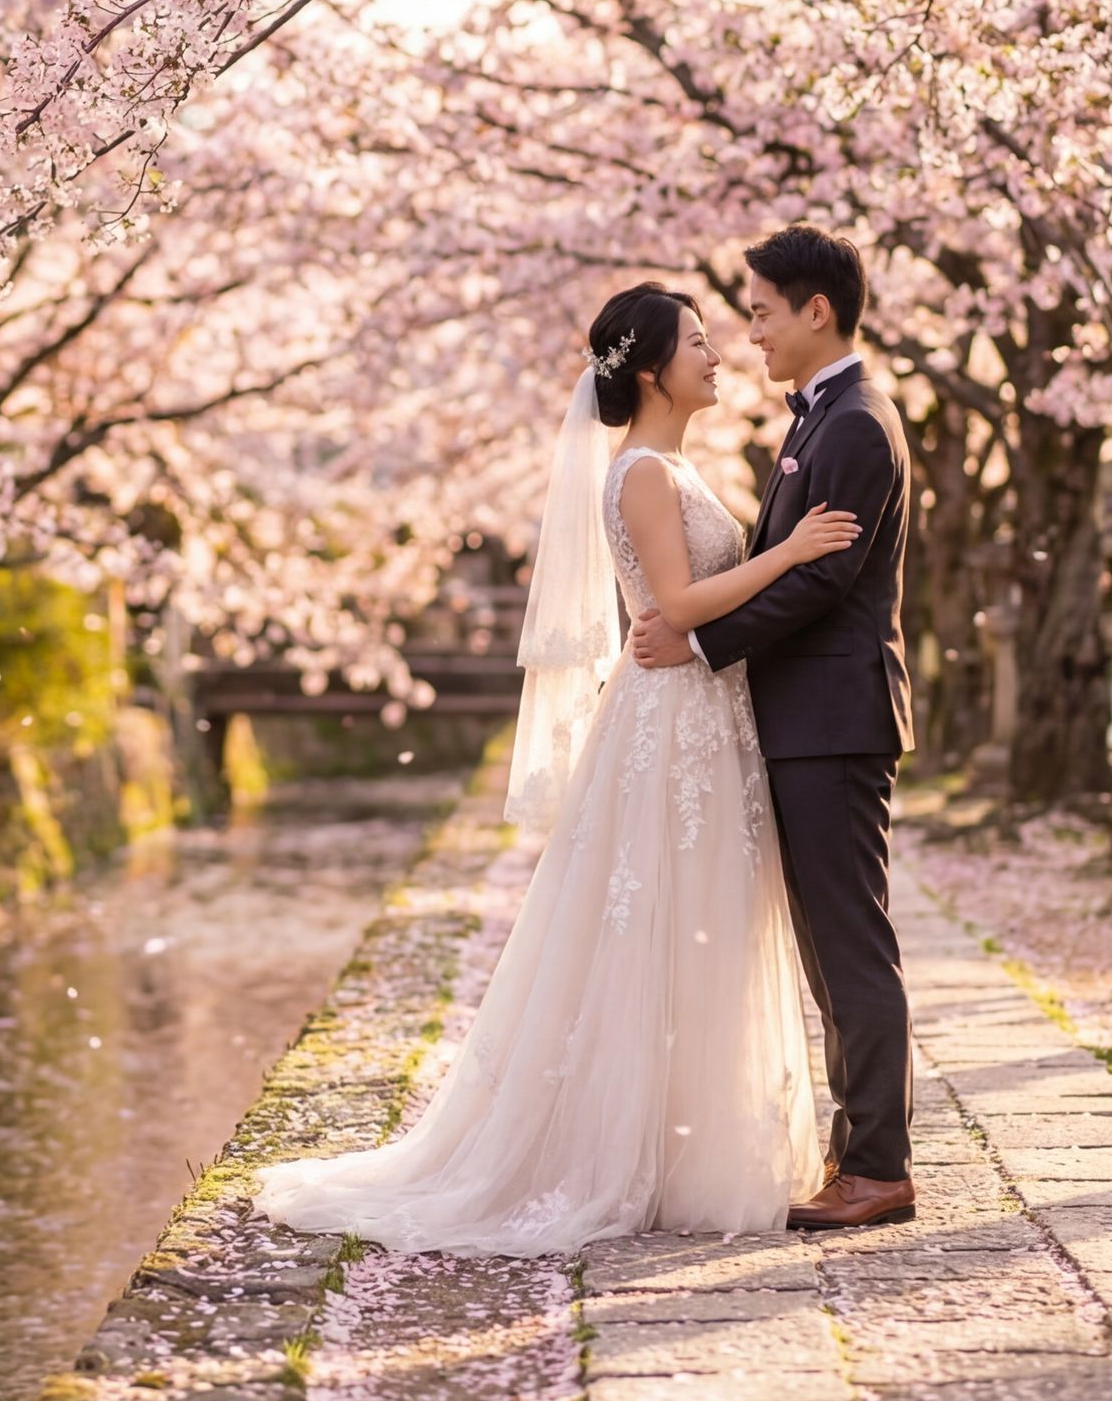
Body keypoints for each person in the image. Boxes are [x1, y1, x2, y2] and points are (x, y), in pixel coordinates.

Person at [252, 282, 854, 1255]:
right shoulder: (644, 476)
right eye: (698, 342)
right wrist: (790, 554)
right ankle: (628, 1154)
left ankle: (686, 1144)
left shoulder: (669, 468)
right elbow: (677, 602)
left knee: (703, 924)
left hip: (702, 713)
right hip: (672, 723)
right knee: (663, 923)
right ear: (653, 368)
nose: (717, 353)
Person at [628, 225, 917, 1232]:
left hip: (834, 720)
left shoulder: (853, 425)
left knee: (848, 943)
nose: (749, 334)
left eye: (757, 313)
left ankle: (878, 1163)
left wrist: (701, 646)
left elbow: (821, 579)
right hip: (808, 718)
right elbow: (791, 564)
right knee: (828, 946)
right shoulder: (821, 420)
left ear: (816, 312)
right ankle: (861, 1151)